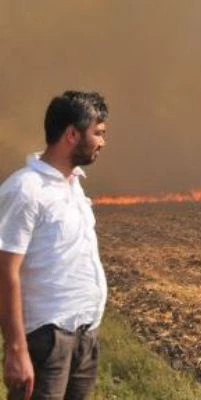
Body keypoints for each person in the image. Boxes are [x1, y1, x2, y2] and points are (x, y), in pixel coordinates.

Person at [0, 91, 109, 400]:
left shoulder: (73, 184)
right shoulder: (25, 190)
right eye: (97, 133)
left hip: (85, 337)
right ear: (72, 135)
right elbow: (5, 272)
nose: (102, 142)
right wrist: (16, 350)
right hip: (46, 343)